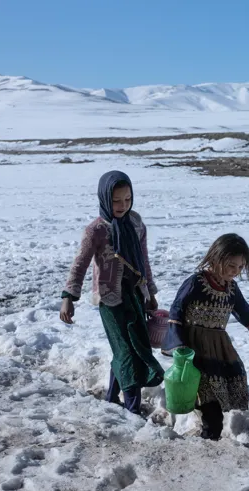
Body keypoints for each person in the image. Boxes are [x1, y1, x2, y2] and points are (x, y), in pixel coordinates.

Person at [60, 170, 164, 416]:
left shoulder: (136, 224)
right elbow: (80, 263)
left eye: (127, 199)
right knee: (127, 352)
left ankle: (111, 398)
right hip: (110, 299)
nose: (122, 205)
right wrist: (68, 297)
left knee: (132, 348)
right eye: (116, 200)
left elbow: (144, 261)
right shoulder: (96, 230)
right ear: (105, 198)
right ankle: (132, 410)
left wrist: (150, 293)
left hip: (136, 296)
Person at [162, 233, 249, 440]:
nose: (235, 271)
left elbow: (245, 313)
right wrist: (178, 343)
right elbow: (176, 310)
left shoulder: (231, 288)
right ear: (216, 259)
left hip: (218, 349)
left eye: (240, 267)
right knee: (209, 401)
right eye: (231, 265)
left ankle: (208, 435)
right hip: (195, 348)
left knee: (217, 395)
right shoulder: (196, 282)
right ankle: (209, 437)